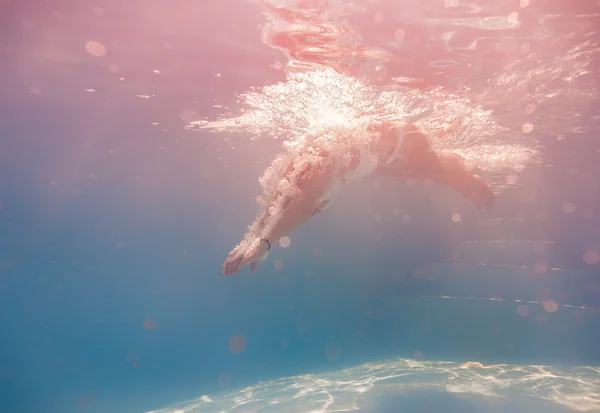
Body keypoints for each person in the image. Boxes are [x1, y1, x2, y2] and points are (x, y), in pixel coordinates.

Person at [222, 112, 494, 275]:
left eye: (319, 205)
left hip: (402, 141)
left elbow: (301, 206)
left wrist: (263, 246)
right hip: (379, 146)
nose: (316, 208)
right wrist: (249, 241)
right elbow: (276, 201)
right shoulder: (297, 169)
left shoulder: (321, 167)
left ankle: (468, 177)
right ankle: (461, 173)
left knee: (432, 169)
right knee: (419, 169)